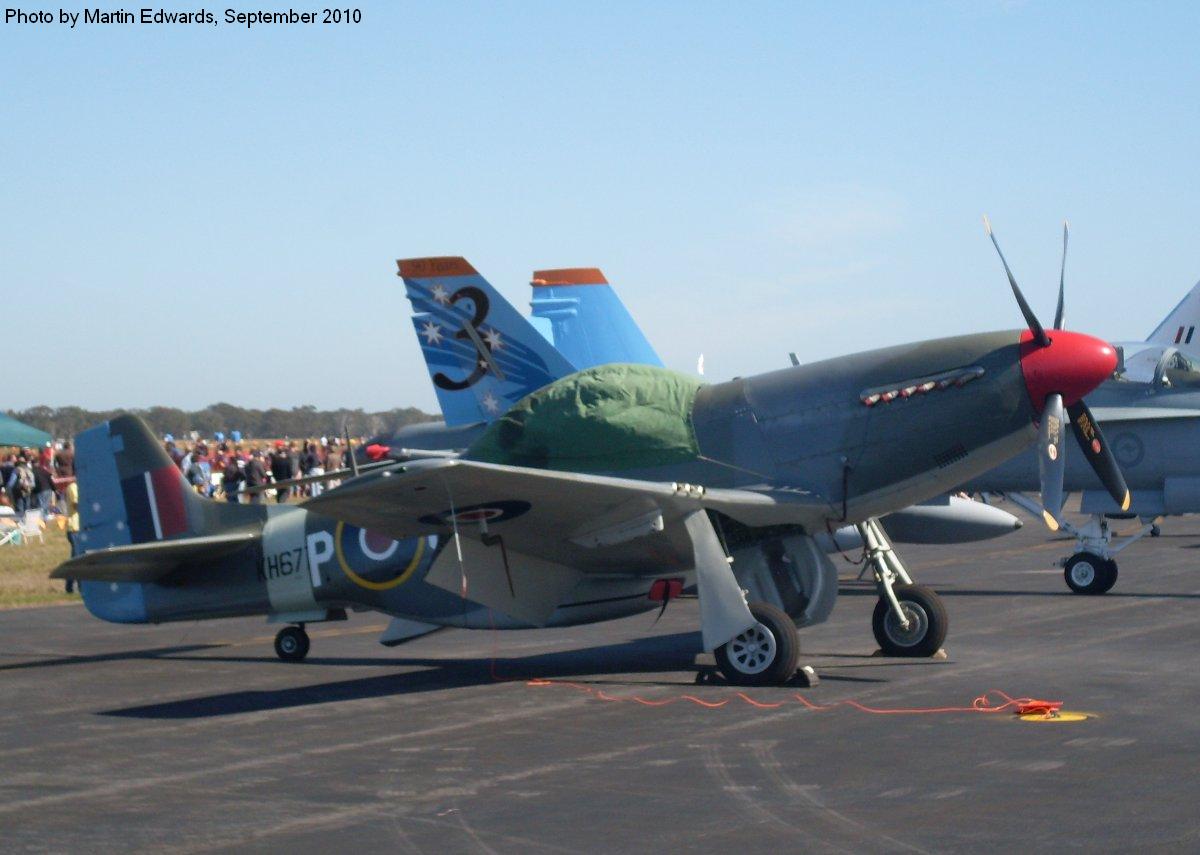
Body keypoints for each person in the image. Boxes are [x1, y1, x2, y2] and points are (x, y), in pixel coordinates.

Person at [63, 480, 80, 593]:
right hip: (74, 527)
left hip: (80, 527)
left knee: (80, 558)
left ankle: (80, 585)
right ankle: (69, 586)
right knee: (76, 559)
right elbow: (75, 505)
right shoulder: (73, 487)